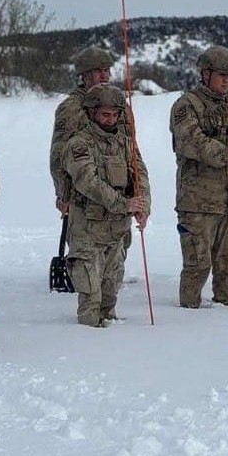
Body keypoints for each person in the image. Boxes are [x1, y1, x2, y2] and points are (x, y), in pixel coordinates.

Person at [170, 45, 228, 308]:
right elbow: (194, 143)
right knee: (197, 265)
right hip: (198, 203)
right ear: (205, 73)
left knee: (227, 267)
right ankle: (188, 315)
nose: (226, 81)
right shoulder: (186, 106)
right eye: (221, 74)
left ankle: (226, 314)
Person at [62, 84, 150, 326]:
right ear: (92, 113)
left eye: (114, 114)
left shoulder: (125, 143)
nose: (110, 119)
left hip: (116, 231)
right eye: (104, 114)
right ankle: (89, 344)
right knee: (91, 294)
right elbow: (87, 181)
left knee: (110, 291)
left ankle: (111, 343)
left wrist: (143, 206)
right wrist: (125, 204)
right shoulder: (79, 144)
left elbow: (140, 175)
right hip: (88, 229)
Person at [50, 45, 118, 215]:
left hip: (118, 197)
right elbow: (59, 155)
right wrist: (63, 194)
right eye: (98, 71)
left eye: (107, 70)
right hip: (84, 199)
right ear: (86, 76)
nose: (104, 76)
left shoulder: (117, 105)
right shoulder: (72, 108)